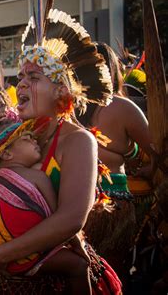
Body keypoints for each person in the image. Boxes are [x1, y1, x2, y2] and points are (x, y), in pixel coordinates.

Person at [0, 8, 122, 294]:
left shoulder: (78, 141)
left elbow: (71, 218)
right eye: (20, 76)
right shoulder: (11, 132)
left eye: (33, 77)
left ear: (60, 91)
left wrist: (5, 254)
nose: (20, 83)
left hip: (51, 270)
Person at [0, 119, 91, 294]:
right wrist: (79, 246)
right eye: (26, 138)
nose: (34, 140)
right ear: (7, 154)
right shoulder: (37, 177)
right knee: (79, 266)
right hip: (27, 258)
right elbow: (55, 218)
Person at [77, 42, 154, 280]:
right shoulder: (121, 107)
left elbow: (156, 153)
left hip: (86, 203)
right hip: (96, 203)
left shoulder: (65, 106)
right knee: (110, 273)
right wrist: (145, 172)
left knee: (86, 272)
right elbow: (158, 153)